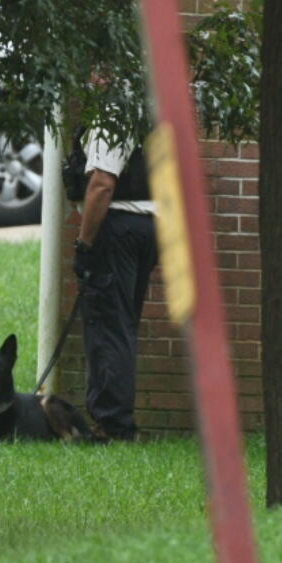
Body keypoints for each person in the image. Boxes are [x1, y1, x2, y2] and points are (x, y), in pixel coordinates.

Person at [72, 127, 158, 442]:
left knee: (108, 327)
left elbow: (102, 184)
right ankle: (115, 420)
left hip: (118, 228)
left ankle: (112, 425)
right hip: (148, 224)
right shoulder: (146, 108)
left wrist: (84, 244)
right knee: (122, 326)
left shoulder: (113, 114)